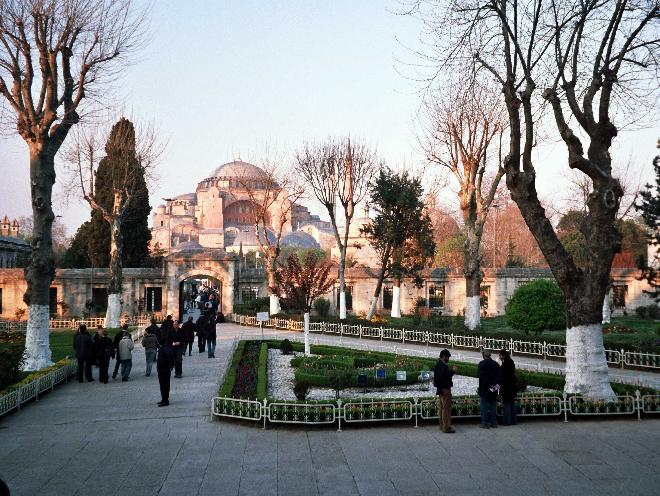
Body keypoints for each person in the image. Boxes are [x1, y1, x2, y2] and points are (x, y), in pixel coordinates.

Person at [433, 349, 457, 433]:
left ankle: (442, 425)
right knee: (446, 409)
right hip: (445, 389)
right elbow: (445, 377)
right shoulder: (442, 365)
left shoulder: (439, 364)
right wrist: (453, 371)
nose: (448, 359)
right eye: (447, 357)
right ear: (443, 356)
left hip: (440, 388)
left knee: (442, 408)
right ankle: (446, 427)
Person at [478, 350, 501, 428]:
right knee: (493, 407)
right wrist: (495, 388)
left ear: (484, 355)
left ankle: (485, 423)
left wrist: (488, 387)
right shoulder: (496, 364)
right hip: (494, 388)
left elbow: (482, 378)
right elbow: (499, 378)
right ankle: (494, 423)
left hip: (484, 389)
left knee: (484, 407)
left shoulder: (481, 364)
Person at [498, 349, 517, 426]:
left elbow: (502, 378)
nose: (499, 357)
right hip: (512, 387)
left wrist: (494, 389)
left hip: (506, 388)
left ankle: (507, 421)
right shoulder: (511, 362)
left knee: (506, 405)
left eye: (500, 355)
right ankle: (514, 420)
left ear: (503, 355)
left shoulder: (505, 364)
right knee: (512, 404)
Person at [157, 340, 175, 407]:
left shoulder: (161, 350)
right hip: (167, 370)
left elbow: (161, 361)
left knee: (163, 386)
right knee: (167, 385)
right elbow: (173, 358)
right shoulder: (169, 348)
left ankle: (165, 400)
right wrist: (171, 366)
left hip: (162, 370)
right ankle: (165, 399)